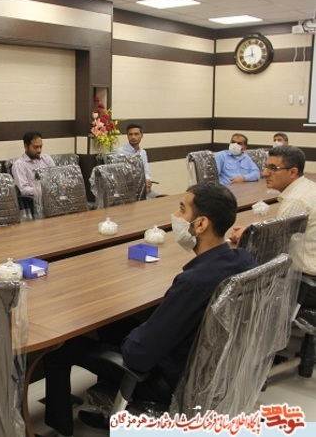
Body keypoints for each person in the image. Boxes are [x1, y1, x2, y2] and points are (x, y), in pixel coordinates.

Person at [43, 182, 256, 436]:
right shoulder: (244, 260)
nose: (175, 216)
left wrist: (139, 335)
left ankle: (61, 430)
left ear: (201, 224)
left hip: (170, 381)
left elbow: (138, 356)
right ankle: (111, 410)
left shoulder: (192, 282)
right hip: (211, 370)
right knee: (113, 325)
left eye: (182, 210)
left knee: (60, 350)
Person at [229, 145, 316, 308]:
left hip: (305, 284)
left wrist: (248, 236)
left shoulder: (295, 200)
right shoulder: (307, 187)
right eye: (266, 167)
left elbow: (272, 248)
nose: (265, 173)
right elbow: (281, 229)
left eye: (273, 168)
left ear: (292, 172)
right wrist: (251, 229)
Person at [12, 131, 55, 198]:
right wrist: (43, 191)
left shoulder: (47, 158)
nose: (39, 150)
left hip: (52, 196)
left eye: (40, 146)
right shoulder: (19, 165)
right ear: (26, 146)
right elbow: (24, 190)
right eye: (35, 147)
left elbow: (55, 179)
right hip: (33, 200)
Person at [116, 123, 155, 197]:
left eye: (136, 134)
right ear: (127, 136)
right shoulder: (121, 152)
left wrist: (147, 181)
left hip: (143, 189)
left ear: (142, 135)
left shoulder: (143, 152)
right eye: (130, 134)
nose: (133, 137)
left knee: (161, 198)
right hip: (128, 192)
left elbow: (146, 171)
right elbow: (121, 177)